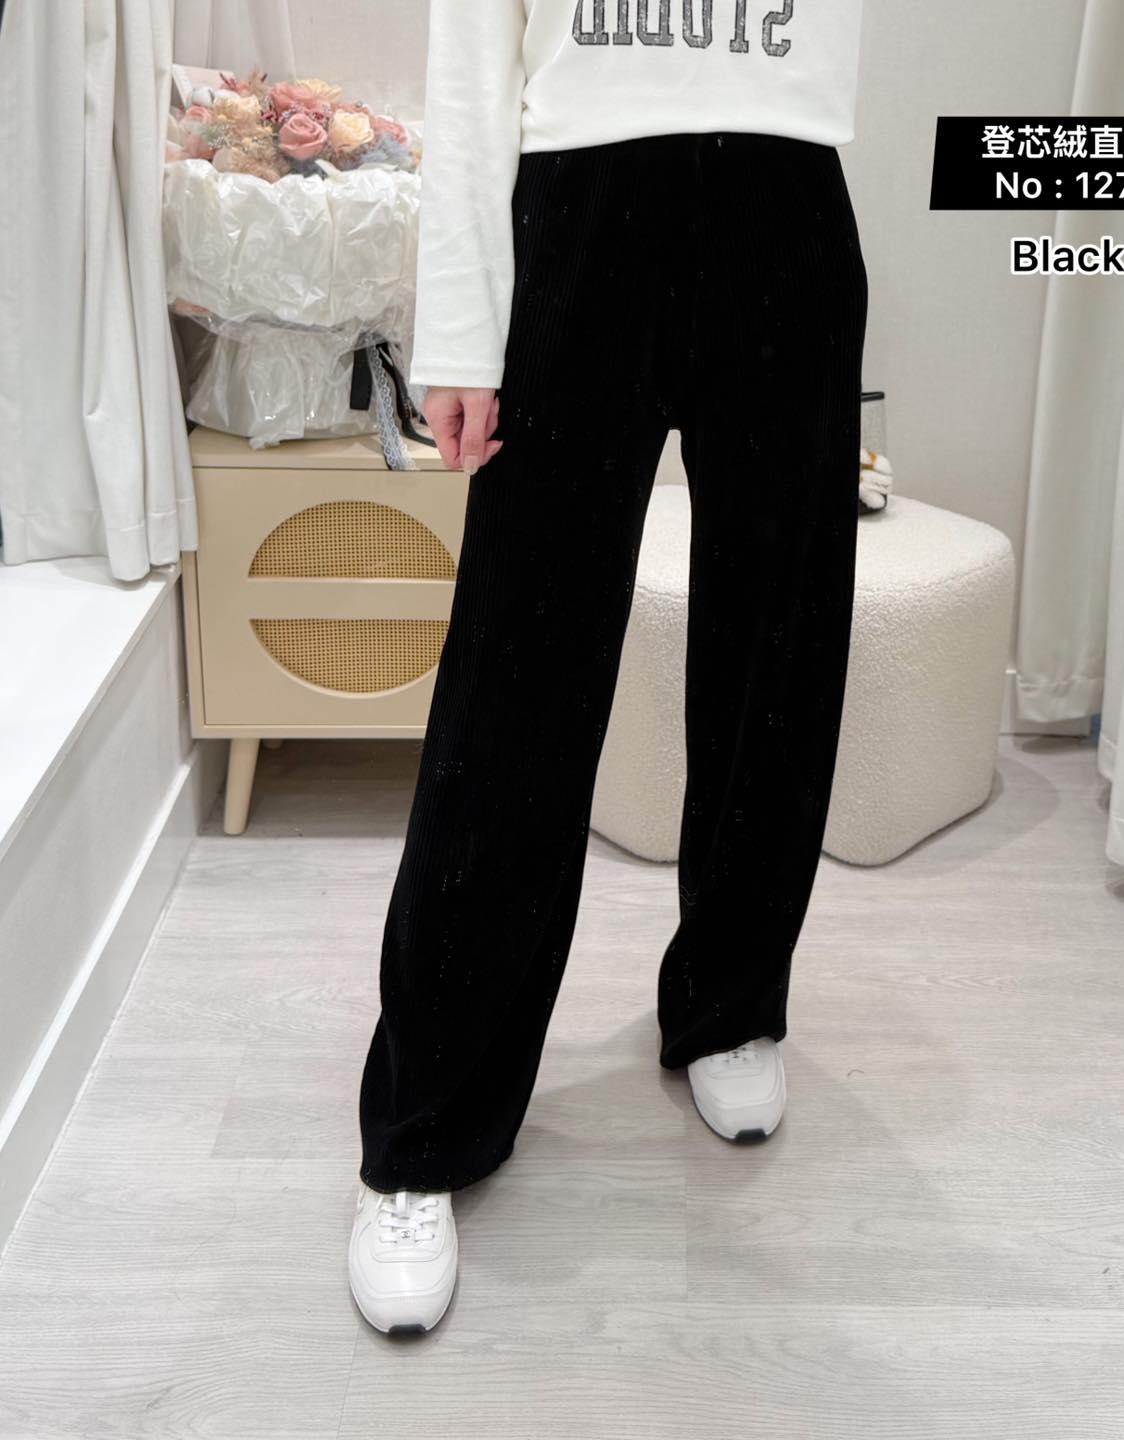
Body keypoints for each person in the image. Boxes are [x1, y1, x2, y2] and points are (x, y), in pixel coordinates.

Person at [348, 0, 868, 1335]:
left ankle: (730, 1003)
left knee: (777, 652)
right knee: (514, 681)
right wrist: (459, 336)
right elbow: (473, 64)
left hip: (787, 195)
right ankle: (423, 1128)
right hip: (581, 212)